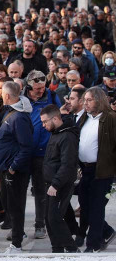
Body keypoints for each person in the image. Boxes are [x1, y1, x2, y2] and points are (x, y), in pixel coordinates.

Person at [0, 81, 34, 253]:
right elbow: (4, 132)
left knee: (15, 206)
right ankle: (18, 234)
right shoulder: (10, 113)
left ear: (7, 96)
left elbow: (26, 146)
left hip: (14, 171)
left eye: (1, 93)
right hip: (6, 169)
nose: (0, 95)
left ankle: (16, 243)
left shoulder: (20, 117)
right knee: (8, 204)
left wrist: (13, 167)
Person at [23, 70, 62, 240]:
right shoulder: (22, 98)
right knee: (16, 192)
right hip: (23, 152)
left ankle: (40, 224)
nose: (40, 91)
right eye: (37, 88)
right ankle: (16, 226)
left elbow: (60, 121)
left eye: (42, 87)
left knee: (40, 190)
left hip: (44, 153)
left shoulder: (52, 97)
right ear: (29, 86)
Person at [76, 87, 116, 252]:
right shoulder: (84, 117)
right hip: (85, 169)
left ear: (99, 100)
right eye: (84, 100)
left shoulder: (111, 118)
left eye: (89, 100)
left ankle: (93, 244)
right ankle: (106, 231)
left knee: (97, 207)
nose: (85, 103)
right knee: (85, 206)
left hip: (103, 171)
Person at [39, 104, 80, 253]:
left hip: (61, 184)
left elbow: (68, 164)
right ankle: (57, 248)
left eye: (45, 122)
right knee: (48, 219)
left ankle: (72, 248)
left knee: (55, 218)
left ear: (55, 118)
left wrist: (55, 184)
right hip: (51, 182)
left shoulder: (67, 136)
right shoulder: (56, 133)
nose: (43, 125)